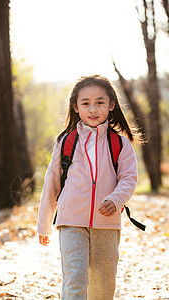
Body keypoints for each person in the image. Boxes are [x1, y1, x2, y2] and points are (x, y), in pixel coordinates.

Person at [36, 75, 141, 300]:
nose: (93, 109)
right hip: (70, 220)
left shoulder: (120, 144)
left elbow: (129, 178)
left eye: (100, 102)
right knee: (75, 278)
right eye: (86, 103)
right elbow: (52, 183)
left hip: (107, 222)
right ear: (76, 107)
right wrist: (44, 225)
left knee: (103, 284)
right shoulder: (65, 141)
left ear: (111, 104)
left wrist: (116, 199)